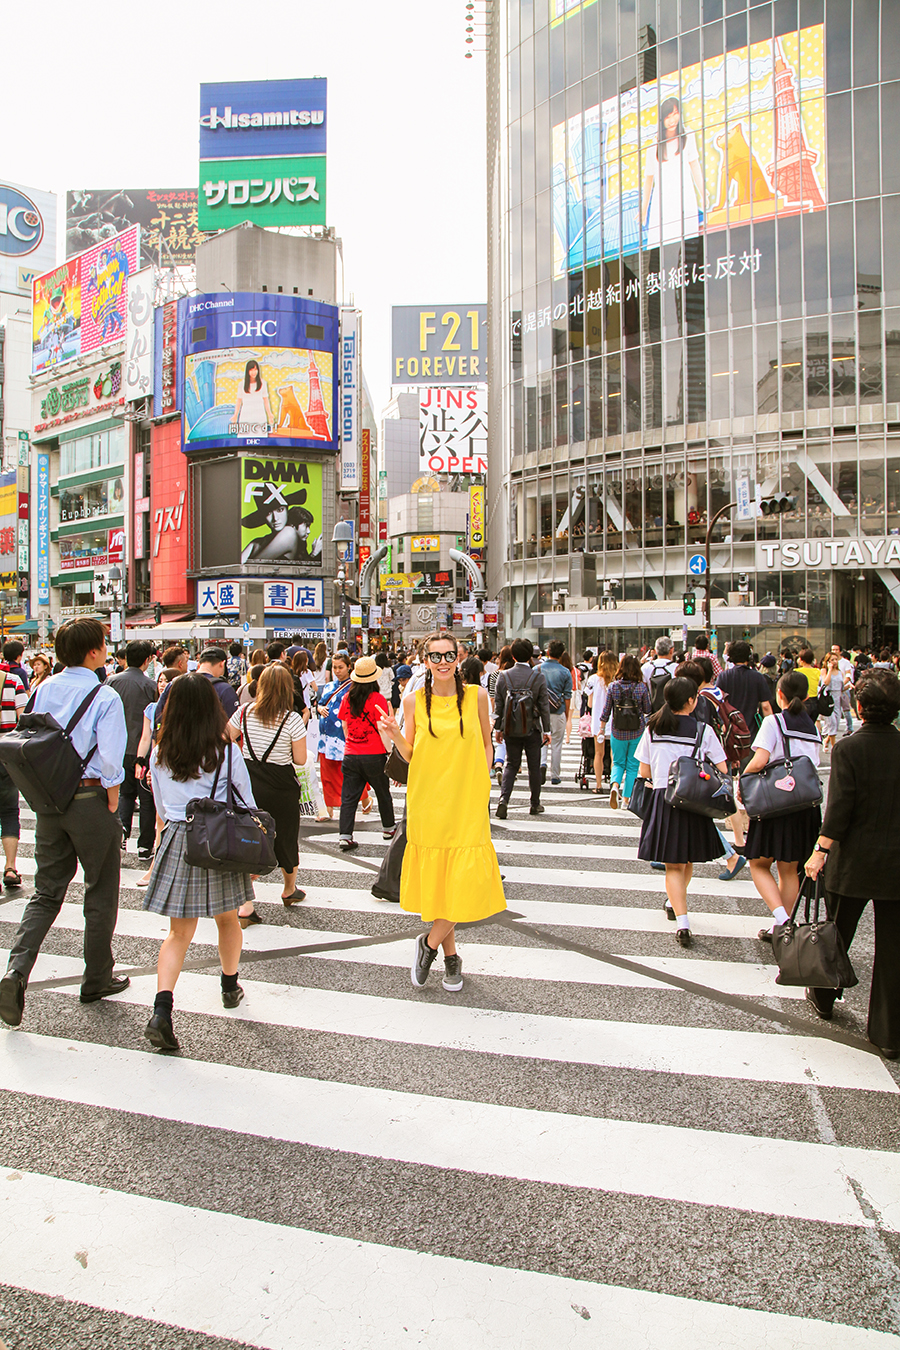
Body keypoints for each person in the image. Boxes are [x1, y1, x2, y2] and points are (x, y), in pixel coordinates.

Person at [0, 618, 129, 1028]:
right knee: (101, 890)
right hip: (91, 797)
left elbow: (32, 740)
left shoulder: (43, 688)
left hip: (50, 801)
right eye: (104, 644)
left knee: (46, 892)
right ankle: (96, 978)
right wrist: (111, 801)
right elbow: (111, 759)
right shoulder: (103, 695)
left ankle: (15, 973)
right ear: (93, 651)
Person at [378, 631, 506, 992]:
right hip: (429, 799)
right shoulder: (414, 701)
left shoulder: (477, 696)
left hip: (467, 798)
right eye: (435, 657)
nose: (444, 662)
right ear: (425, 661)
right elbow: (411, 753)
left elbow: (485, 742)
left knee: (464, 879)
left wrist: (484, 783)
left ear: (459, 657)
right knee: (440, 881)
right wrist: (393, 735)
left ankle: (429, 944)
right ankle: (451, 959)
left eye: (449, 655)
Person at [142, 673, 257, 1053]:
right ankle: (229, 985)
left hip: (179, 838)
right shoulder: (226, 752)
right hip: (220, 838)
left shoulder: (161, 753)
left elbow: (160, 809)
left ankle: (162, 1010)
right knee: (228, 919)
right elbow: (247, 801)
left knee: (179, 933)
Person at [803, 669, 900, 1056]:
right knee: (893, 947)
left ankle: (825, 997)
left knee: (838, 930)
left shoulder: (849, 748)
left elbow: (840, 807)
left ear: (859, 708)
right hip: (896, 860)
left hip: (854, 857)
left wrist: (820, 850)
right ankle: (888, 1033)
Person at [634, 676, 729, 947]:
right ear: (691, 700)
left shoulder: (653, 728)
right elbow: (722, 769)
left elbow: (644, 771)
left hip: (663, 799)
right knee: (685, 860)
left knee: (674, 864)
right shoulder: (703, 730)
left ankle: (680, 916)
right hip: (694, 802)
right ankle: (678, 908)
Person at [741, 670, 823, 941]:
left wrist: (744, 780)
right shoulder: (813, 727)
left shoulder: (773, 722)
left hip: (774, 805)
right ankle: (783, 929)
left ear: (779, 695)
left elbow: (759, 760)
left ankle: (783, 920)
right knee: (789, 869)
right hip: (803, 806)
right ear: (807, 696)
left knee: (758, 864)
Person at [227, 663, 307, 910]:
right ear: (287, 690)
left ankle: (246, 903)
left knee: (248, 837)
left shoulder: (244, 711)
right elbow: (301, 759)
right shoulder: (292, 719)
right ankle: (289, 889)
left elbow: (226, 737)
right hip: (281, 786)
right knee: (285, 838)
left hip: (248, 783)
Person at [337, 656, 395, 851]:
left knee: (349, 797)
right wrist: (389, 751)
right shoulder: (378, 699)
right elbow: (381, 728)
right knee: (382, 792)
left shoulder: (347, 698)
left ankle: (345, 835)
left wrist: (351, 744)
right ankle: (388, 828)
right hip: (374, 754)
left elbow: (344, 726)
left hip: (351, 754)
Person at [108, 640, 158, 862]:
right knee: (146, 799)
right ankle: (145, 846)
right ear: (147, 660)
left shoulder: (111, 682)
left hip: (118, 748)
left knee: (124, 794)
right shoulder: (150, 686)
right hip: (143, 750)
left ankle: (121, 836)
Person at [493, 638, 551, 818]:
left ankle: (503, 800)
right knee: (534, 766)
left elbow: (499, 706)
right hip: (532, 727)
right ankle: (535, 804)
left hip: (510, 727)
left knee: (511, 764)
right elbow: (544, 706)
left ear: (513, 655)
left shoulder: (503, 676)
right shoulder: (538, 677)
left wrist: (498, 728)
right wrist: (546, 730)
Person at [641, 96, 706, 249]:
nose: (672, 120)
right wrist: (643, 210)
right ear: (662, 120)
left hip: (685, 199)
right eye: (668, 116)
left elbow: (695, 167)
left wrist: (704, 194)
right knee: (663, 250)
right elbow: (648, 180)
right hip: (663, 205)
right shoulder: (653, 147)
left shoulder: (688, 136)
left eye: (675, 114)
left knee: (690, 246)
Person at [598, 654, 651, 808]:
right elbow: (648, 709)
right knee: (633, 766)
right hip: (637, 731)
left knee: (618, 763)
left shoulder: (613, 686)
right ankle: (626, 799)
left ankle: (615, 786)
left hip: (617, 731)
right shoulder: (641, 687)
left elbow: (606, 711)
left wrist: (601, 729)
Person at [154, 646, 239, 727]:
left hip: (177, 739)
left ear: (199, 664)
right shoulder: (224, 689)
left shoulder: (174, 683)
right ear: (222, 664)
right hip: (211, 740)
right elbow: (233, 725)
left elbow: (158, 716)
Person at [0, 659, 28, 889]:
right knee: (9, 811)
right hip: (5, 757)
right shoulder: (12, 681)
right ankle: (10, 867)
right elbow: (24, 719)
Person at [715, 641, 773, 735]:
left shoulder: (724, 676)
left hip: (730, 731)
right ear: (749, 656)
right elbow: (765, 706)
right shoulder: (758, 677)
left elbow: (717, 702)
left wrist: (722, 723)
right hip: (751, 732)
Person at [541, 640, 573, 785]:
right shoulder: (565, 672)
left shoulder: (537, 669)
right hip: (557, 711)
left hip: (541, 712)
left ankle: (541, 765)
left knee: (541, 741)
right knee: (556, 744)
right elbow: (567, 697)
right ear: (561, 655)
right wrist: (566, 714)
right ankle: (555, 775)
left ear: (548, 652)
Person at [232, 358, 272, 435]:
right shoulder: (242, 384)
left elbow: (266, 400)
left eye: (255, 369)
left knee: (260, 436)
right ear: (247, 371)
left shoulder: (263, 383)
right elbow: (239, 401)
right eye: (251, 370)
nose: (254, 372)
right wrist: (235, 415)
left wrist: (270, 414)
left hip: (259, 414)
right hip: (246, 414)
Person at [818, 652, 848, 751]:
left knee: (836, 723)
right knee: (832, 723)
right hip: (828, 699)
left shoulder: (840, 672)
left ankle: (826, 741)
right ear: (827, 661)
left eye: (836, 659)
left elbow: (841, 687)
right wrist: (830, 670)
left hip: (837, 699)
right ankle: (834, 748)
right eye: (832, 660)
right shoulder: (824, 670)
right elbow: (825, 683)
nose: (835, 662)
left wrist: (849, 686)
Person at [641, 637, 678, 711]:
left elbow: (643, 691)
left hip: (652, 712)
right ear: (671, 650)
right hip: (672, 711)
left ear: (655, 651)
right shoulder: (677, 668)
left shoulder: (645, 668)